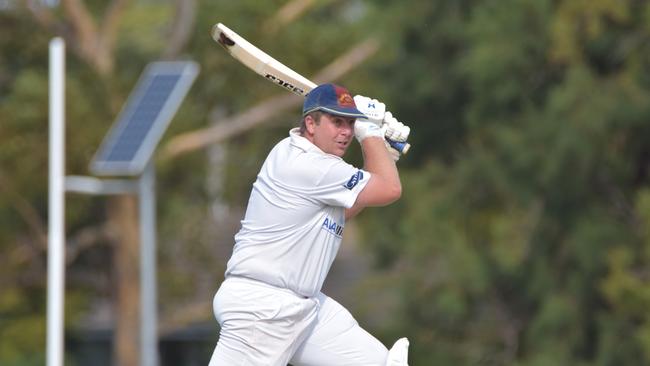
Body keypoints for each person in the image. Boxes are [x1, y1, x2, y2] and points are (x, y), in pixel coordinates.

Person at [208, 83, 411, 366]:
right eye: (336, 121)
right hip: (262, 309)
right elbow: (389, 189)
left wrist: (384, 156)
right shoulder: (307, 164)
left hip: (304, 307)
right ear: (310, 124)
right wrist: (372, 134)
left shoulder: (309, 161)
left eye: (351, 123)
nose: (346, 132)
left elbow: (343, 212)